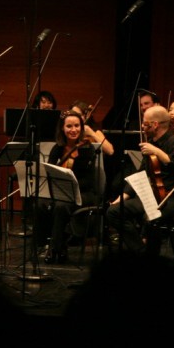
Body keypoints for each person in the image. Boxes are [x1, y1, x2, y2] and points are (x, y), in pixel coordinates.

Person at [105, 105, 174, 256]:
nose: (142, 126)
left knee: (151, 217)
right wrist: (122, 197)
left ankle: (151, 258)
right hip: (154, 197)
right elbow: (141, 173)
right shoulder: (151, 143)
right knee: (114, 211)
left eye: (145, 123)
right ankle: (141, 252)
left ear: (155, 125)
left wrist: (158, 152)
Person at [37, 110, 113, 263]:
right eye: (69, 126)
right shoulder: (57, 148)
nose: (73, 130)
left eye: (77, 126)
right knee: (40, 203)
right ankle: (45, 244)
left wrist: (71, 182)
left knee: (61, 206)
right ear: (62, 128)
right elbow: (50, 170)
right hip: (62, 192)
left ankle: (55, 248)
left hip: (84, 193)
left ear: (82, 127)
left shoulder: (87, 149)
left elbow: (88, 181)